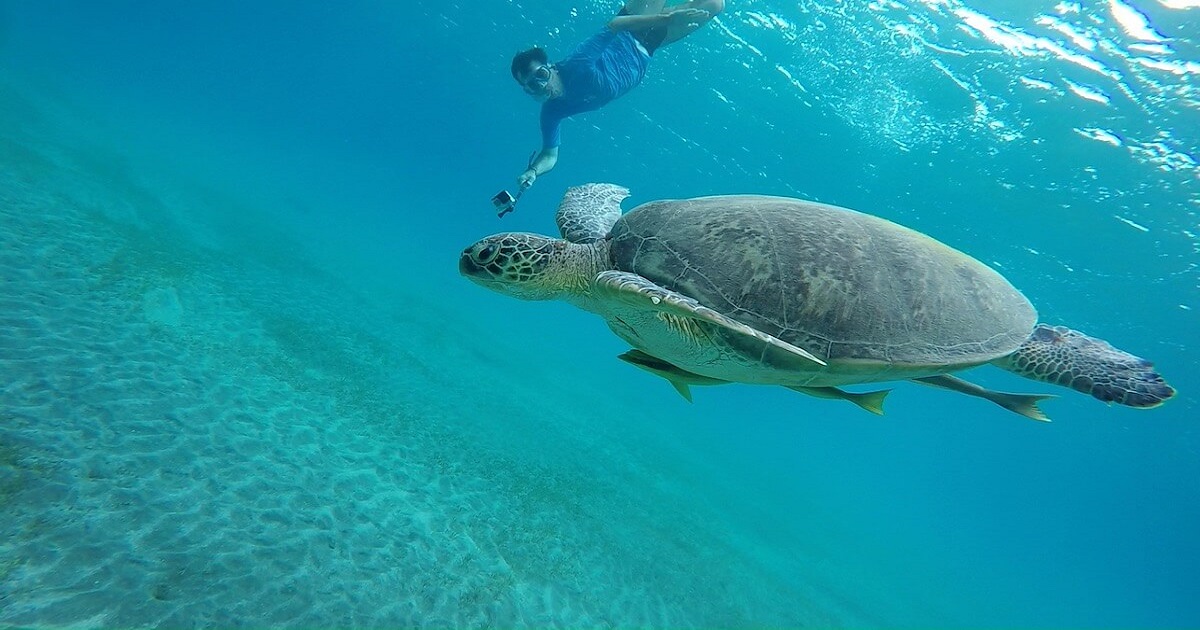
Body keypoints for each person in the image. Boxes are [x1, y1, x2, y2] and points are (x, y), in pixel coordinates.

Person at [510, 0, 725, 193]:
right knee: (715, 5)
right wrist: (533, 172)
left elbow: (614, 24)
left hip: (632, 30)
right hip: (649, 47)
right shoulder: (552, 112)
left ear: (550, 68)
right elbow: (550, 155)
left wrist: (668, 18)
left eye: (541, 75)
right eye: (532, 85)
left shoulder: (575, 64)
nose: (542, 85)